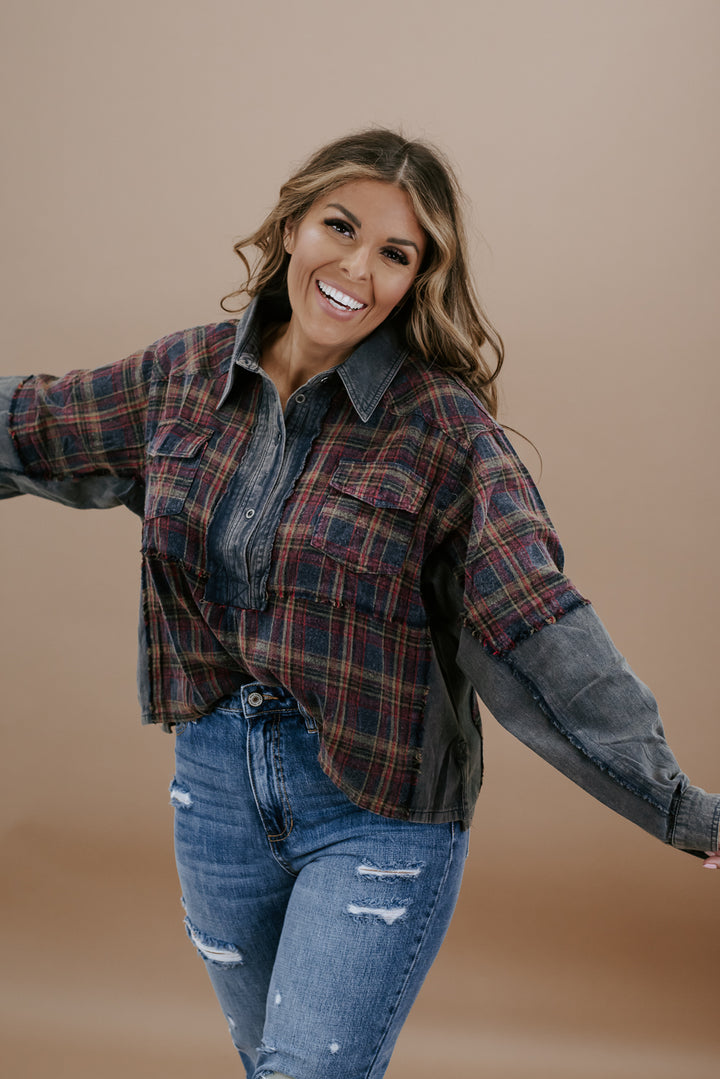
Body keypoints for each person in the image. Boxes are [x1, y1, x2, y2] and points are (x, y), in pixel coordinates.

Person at [1, 128, 718, 1079]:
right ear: (292, 224)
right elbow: (31, 424)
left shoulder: (443, 432)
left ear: (418, 279)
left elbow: (538, 628)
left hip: (376, 807)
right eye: (340, 227)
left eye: (395, 253)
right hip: (215, 793)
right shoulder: (183, 378)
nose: (356, 269)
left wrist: (681, 808)